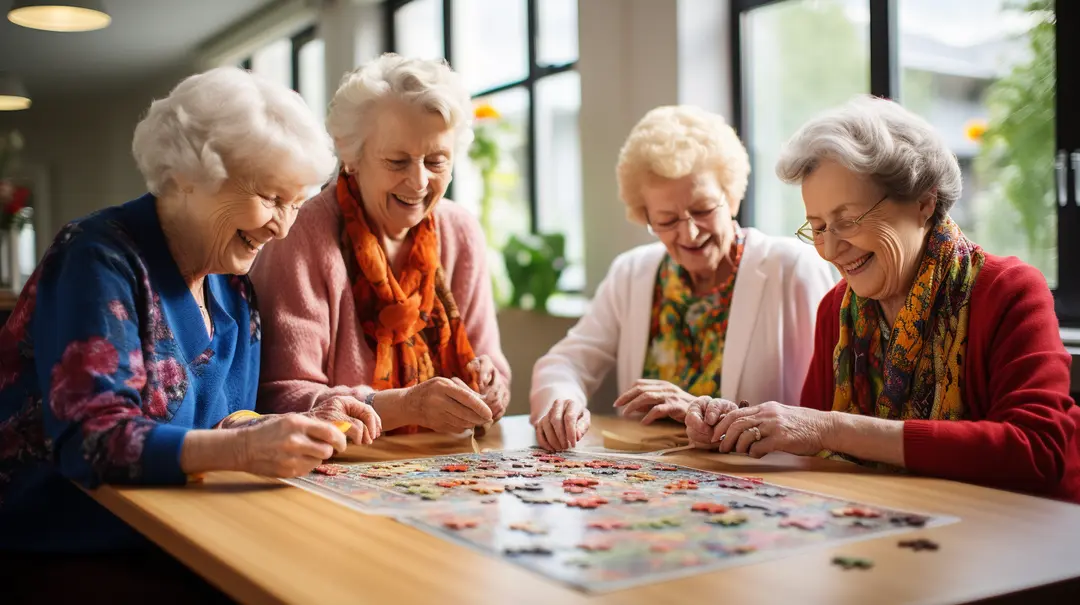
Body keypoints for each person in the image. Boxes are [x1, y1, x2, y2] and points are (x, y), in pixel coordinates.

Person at [0, 67, 380, 600]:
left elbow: (223, 425)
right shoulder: (97, 256)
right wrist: (248, 449)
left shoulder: (232, 285)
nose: (283, 227)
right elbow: (92, 443)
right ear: (186, 175)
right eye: (271, 197)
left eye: (296, 204)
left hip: (183, 534)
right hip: (65, 544)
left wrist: (298, 424)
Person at [686, 96, 1080, 503]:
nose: (830, 249)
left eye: (848, 221)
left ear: (924, 203)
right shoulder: (837, 309)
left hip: (1025, 535)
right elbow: (815, 453)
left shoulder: (1009, 291)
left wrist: (832, 428)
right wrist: (737, 427)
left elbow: (1038, 451)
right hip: (898, 524)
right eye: (818, 227)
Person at [530, 105, 837, 451]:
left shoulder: (792, 267)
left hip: (762, 479)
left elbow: (825, 409)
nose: (689, 232)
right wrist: (562, 403)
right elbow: (565, 362)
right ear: (644, 216)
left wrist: (696, 407)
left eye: (703, 210)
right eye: (666, 220)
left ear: (731, 197)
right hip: (646, 480)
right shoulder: (631, 273)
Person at [251, 54, 509, 435]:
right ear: (351, 156)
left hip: (444, 465)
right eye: (397, 161)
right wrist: (405, 407)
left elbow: (493, 365)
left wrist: (489, 388)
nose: (419, 181)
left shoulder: (461, 231)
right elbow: (282, 395)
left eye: (437, 161)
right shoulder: (302, 233)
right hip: (339, 469)